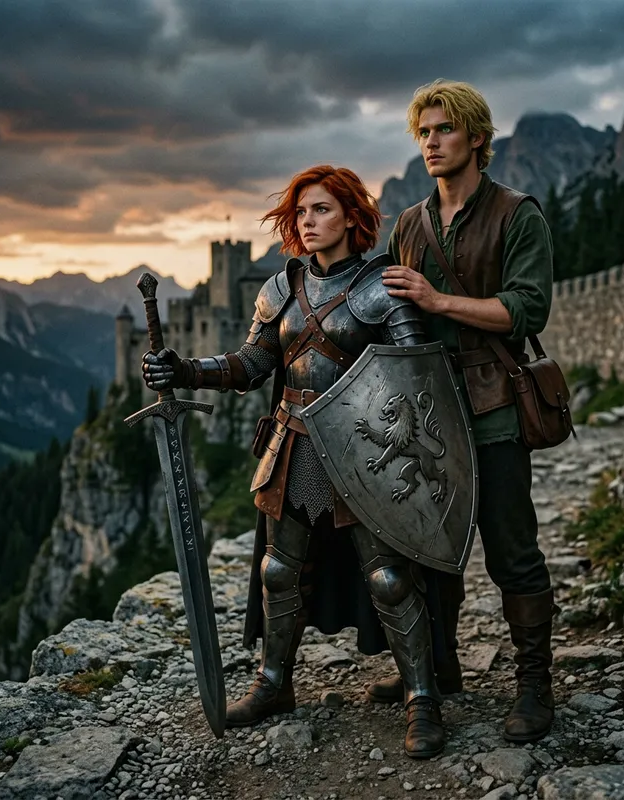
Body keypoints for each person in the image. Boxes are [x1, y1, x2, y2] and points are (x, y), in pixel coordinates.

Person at [142, 165, 452, 758]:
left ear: (352, 217)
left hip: (364, 454)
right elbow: (250, 364)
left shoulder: (382, 287)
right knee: (279, 572)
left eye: (322, 210)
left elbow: (415, 381)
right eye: (301, 212)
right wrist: (185, 370)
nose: (308, 222)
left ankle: (421, 697)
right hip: (294, 445)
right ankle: (273, 685)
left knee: (388, 578)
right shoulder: (280, 290)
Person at [367, 79, 558, 744]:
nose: (431, 142)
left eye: (444, 129)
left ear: (478, 137)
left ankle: (535, 686)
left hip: (495, 404)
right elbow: (393, 315)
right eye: (423, 132)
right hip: (427, 412)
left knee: (512, 551)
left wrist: (439, 300)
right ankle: (437, 670)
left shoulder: (517, 214)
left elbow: (527, 309)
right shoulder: (408, 225)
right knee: (429, 549)